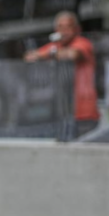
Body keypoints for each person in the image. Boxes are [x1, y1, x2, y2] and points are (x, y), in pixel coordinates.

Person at [25, 11, 99, 139]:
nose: (64, 31)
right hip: (61, 112)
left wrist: (50, 53)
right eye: (60, 27)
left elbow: (72, 54)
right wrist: (50, 52)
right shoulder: (55, 46)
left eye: (68, 27)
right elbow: (30, 57)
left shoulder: (83, 43)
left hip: (84, 113)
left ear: (76, 29)